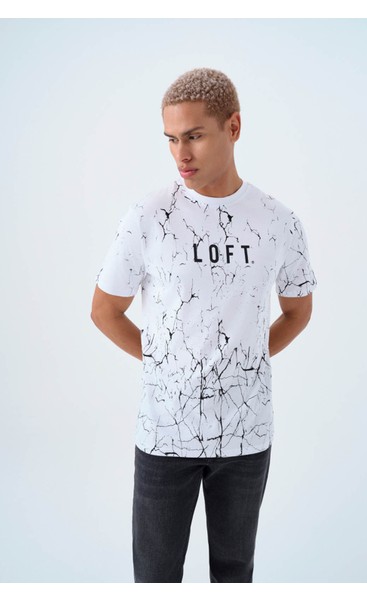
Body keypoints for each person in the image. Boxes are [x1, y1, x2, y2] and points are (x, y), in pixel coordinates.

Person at [90, 67, 318, 583]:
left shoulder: (277, 221)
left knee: (235, 574)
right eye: (171, 139)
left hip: (246, 434)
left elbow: (298, 310)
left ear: (233, 127)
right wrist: (166, 361)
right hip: (165, 432)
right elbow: (104, 310)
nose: (181, 154)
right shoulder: (149, 216)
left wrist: (246, 358)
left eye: (193, 136)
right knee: (155, 576)